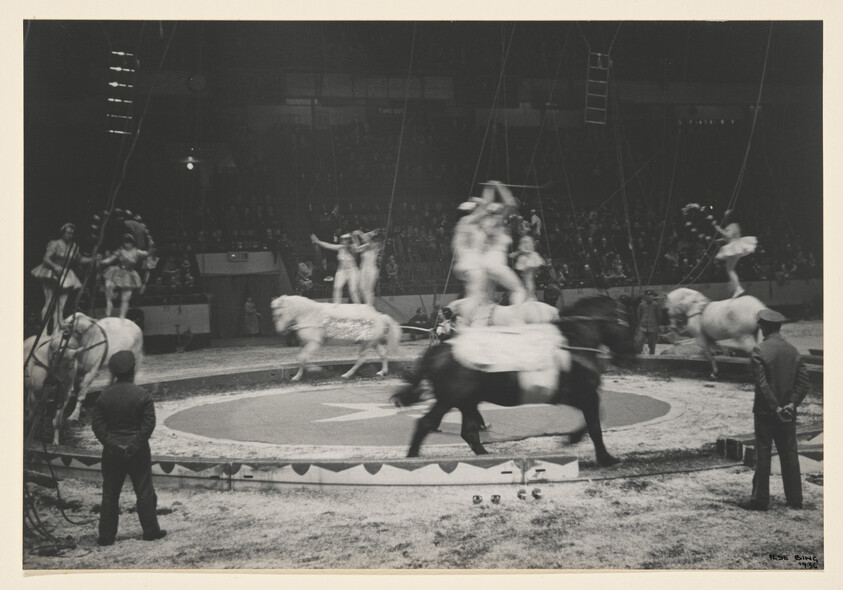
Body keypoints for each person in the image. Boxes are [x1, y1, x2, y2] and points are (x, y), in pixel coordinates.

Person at [91, 350, 166, 546]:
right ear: (132, 370)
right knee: (144, 490)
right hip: (138, 450)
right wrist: (133, 445)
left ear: (114, 372)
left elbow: (98, 427)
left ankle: (106, 536)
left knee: (110, 493)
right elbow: (148, 425)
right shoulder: (143, 395)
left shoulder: (103, 396)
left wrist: (113, 445)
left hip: (112, 451)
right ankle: (150, 531)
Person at [739, 308, 811, 511]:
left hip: (765, 413)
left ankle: (760, 500)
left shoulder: (760, 350)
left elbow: (762, 385)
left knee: (762, 454)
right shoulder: (792, 350)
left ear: (764, 327)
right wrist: (791, 404)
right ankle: (795, 499)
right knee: (789, 453)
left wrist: (775, 407)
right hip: (789, 413)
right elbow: (804, 383)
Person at [30, 223, 89, 335]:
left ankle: (56, 331)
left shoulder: (74, 246)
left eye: (72, 233)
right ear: (63, 233)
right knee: (50, 303)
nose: (70, 235)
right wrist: (55, 266)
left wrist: (93, 259)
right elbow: (46, 259)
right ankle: (44, 331)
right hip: (52, 272)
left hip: (66, 274)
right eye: (68, 233)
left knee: (61, 305)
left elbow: (79, 260)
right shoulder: (55, 244)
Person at [101, 233, 150, 319]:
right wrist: (104, 261)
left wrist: (149, 242)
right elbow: (111, 258)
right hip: (118, 271)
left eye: (129, 242)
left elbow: (148, 254)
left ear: (132, 243)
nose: (127, 244)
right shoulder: (120, 250)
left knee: (126, 296)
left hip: (129, 274)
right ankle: (109, 303)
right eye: (125, 242)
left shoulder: (137, 252)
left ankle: (122, 316)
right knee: (109, 285)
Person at [712, 209, 757, 298]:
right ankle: (736, 288)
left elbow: (728, 235)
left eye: (726, 216)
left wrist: (717, 228)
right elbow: (730, 238)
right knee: (730, 269)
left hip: (734, 248)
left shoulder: (732, 225)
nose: (724, 218)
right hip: (735, 247)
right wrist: (719, 240)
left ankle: (738, 288)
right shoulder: (734, 225)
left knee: (730, 270)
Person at [310, 233, 361, 304]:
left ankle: (359, 307)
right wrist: (318, 241)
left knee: (353, 290)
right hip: (342, 271)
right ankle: (336, 305)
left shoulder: (353, 248)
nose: (343, 242)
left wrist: (354, 236)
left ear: (349, 241)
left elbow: (358, 247)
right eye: (343, 241)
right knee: (337, 288)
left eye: (345, 241)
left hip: (352, 271)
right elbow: (328, 245)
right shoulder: (340, 247)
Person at [353, 229, 383, 306]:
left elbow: (369, 242)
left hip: (371, 269)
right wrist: (354, 237)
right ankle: (367, 304)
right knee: (361, 288)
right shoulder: (365, 247)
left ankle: (369, 305)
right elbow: (357, 249)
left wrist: (360, 232)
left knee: (369, 289)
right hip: (363, 269)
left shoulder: (377, 245)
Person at [510, 235, 545, 300]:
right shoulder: (529, 239)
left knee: (528, 279)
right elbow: (526, 249)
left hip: (528, 259)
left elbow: (524, 250)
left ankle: (530, 296)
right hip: (530, 258)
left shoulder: (525, 239)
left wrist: (516, 253)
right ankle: (530, 295)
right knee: (528, 279)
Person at [637, 289, 662, 355]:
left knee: (652, 344)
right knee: (639, 342)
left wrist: (656, 326)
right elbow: (639, 315)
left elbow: (659, 316)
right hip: (643, 327)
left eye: (651, 295)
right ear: (645, 296)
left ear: (652, 296)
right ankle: (639, 356)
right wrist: (640, 324)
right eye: (647, 295)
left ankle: (651, 357)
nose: (649, 297)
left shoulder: (656, 305)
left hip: (653, 327)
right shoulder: (641, 305)